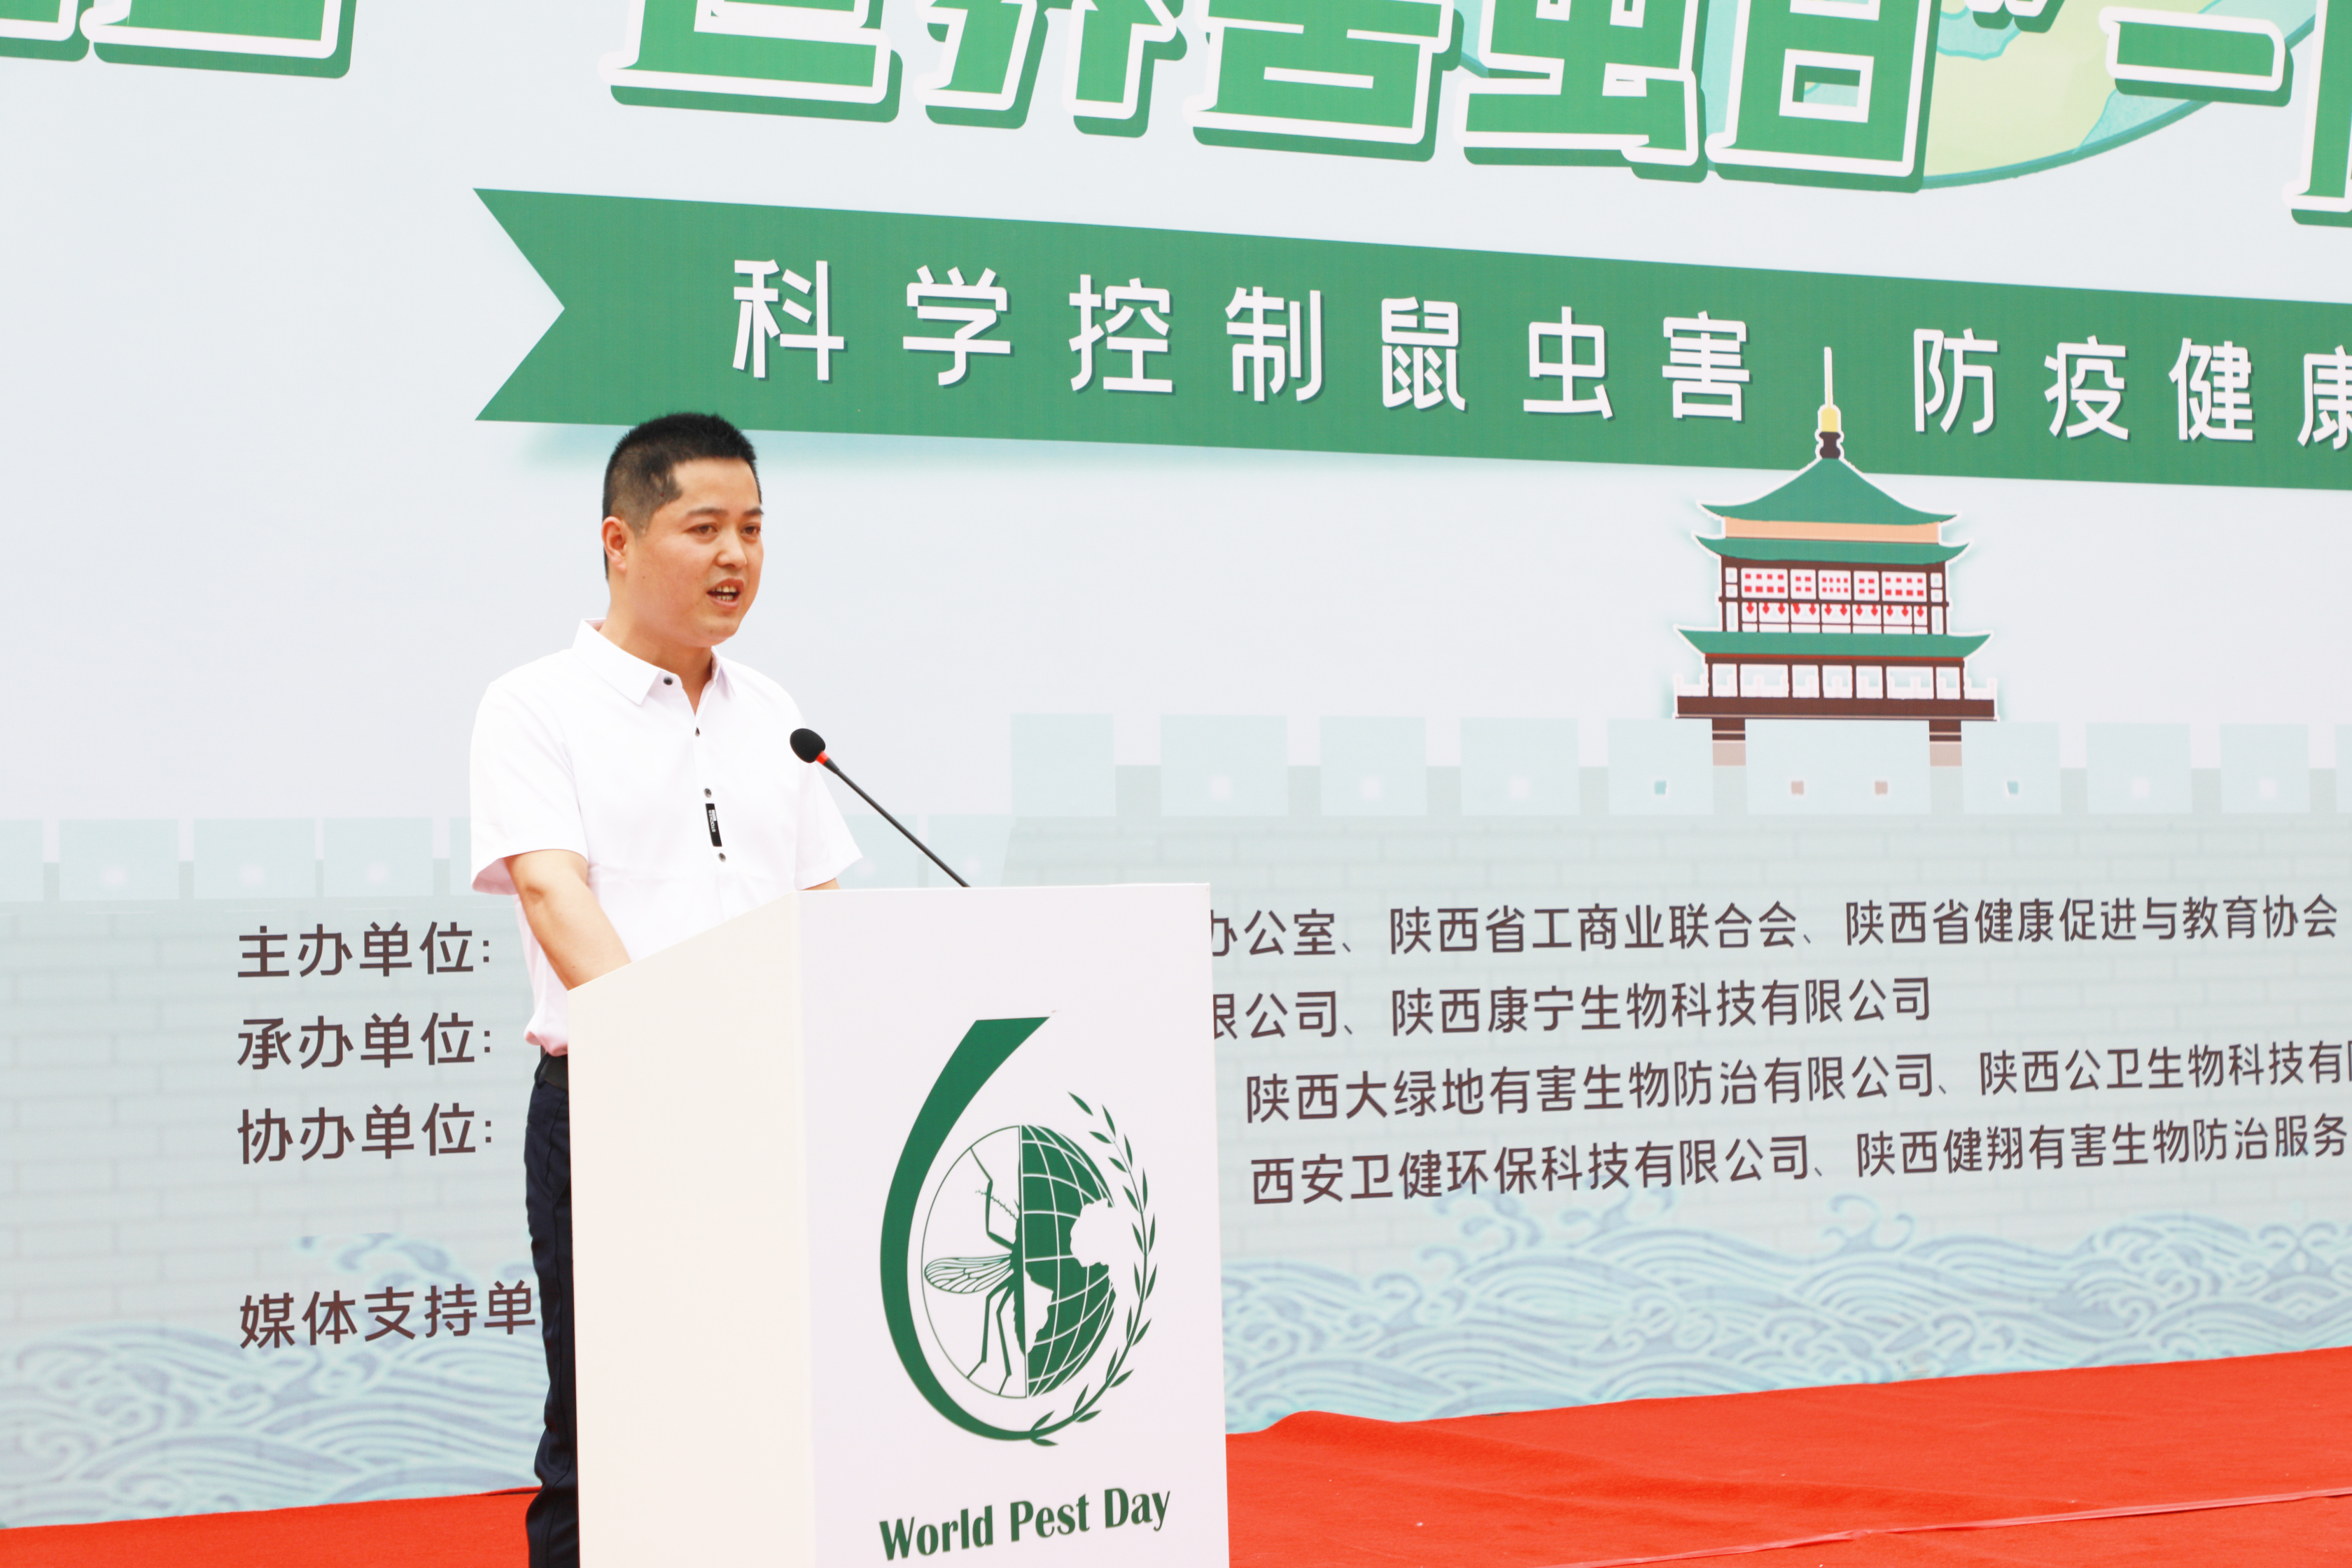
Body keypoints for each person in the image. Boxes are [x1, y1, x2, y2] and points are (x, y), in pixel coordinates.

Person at [466, 412, 862, 1568]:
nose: (736, 556)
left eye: (753, 529)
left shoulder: (775, 715)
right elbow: (554, 894)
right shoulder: (534, 705)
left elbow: (819, 906)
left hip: (772, 1110)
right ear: (620, 541)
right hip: (618, 1108)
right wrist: (678, 1058)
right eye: (704, 528)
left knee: (768, 1417)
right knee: (611, 1432)